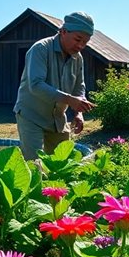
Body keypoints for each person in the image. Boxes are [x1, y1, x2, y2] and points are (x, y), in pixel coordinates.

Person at [14, 11, 96, 160]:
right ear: (63, 32)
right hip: (31, 116)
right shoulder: (40, 49)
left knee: (62, 163)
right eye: (78, 39)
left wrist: (78, 112)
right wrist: (71, 101)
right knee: (34, 165)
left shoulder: (78, 58)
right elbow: (36, 85)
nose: (81, 46)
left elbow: (79, 87)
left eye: (85, 42)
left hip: (57, 118)